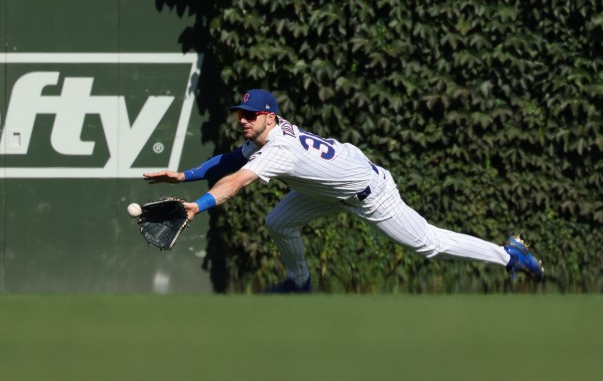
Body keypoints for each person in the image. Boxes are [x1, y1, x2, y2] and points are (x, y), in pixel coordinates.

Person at [144, 89, 544, 293]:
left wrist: (198, 205)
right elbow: (231, 161)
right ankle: (300, 284)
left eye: (249, 115)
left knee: (428, 243)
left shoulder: (278, 150)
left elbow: (236, 181)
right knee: (278, 221)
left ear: (268, 116)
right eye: (240, 115)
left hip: (371, 193)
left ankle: (509, 255)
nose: (243, 120)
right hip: (333, 186)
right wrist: (184, 176)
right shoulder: (269, 135)